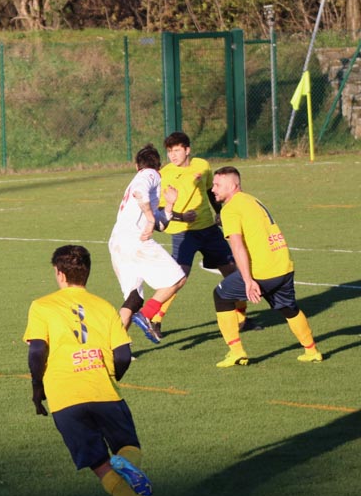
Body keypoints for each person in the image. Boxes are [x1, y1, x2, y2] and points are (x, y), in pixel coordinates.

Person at [23, 244, 161, 496]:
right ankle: (127, 465)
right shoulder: (104, 306)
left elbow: (36, 351)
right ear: (86, 273)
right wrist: (108, 377)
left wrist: (37, 389)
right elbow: (123, 355)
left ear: (60, 274)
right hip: (104, 392)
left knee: (100, 466)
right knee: (129, 448)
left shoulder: (42, 305)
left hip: (64, 399)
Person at [210, 166, 322, 367]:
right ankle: (312, 351)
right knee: (288, 308)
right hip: (283, 264)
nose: (213, 189)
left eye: (217, 185)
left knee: (221, 295)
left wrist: (248, 280)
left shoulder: (230, 208)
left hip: (263, 270)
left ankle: (236, 351)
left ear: (233, 185)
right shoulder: (252, 200)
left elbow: (237, 246)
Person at [153, 131, 257, 336]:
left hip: (209, 230)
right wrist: (182, 217)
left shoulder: (202, 165)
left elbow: (211, 191)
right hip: (184, 233)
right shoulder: (164, 175)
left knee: (234, 271)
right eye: (170, 151)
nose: (172, 155)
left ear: (187, 150)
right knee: (178, 277)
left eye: (176, 150)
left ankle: (242, 319)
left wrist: (221, 213)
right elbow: (161, 210)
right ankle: (155, 319)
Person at [108, 143, 186, 344]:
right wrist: (150, 219)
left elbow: (161, 224)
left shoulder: (143, 180)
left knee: (134, 299)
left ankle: (114, 349)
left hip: (118, 242)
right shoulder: (150, 174)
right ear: (159, 166)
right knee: (178, 279)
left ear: (136, 165)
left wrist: (169, 205)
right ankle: (147, 315)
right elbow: (140, 193)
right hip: (135, 241)